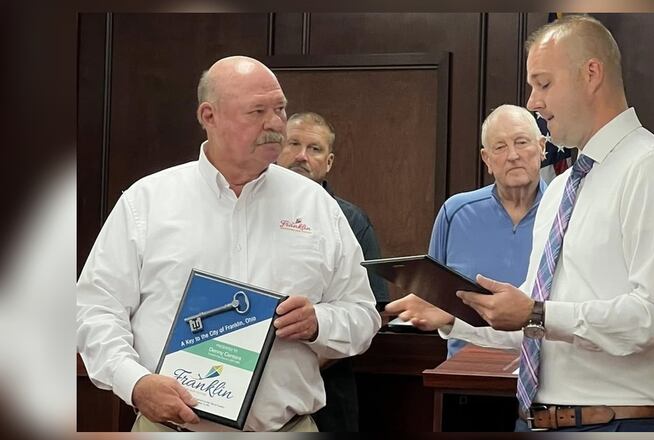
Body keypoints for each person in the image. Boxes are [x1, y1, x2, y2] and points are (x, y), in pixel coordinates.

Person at [388, 15, 654, 432]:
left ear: (591, 74)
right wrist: (452, 317)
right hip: (537, 420)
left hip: (613, 424)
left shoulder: (652, 168)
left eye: (543, 84)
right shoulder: (561, 188)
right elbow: (538, 325)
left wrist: (537, 313)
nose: (533, 102)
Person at [76, 56, 381, 432]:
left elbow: (363, 315)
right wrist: (134, 383)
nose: (275, 124)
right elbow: (95, 311)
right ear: (209, 116)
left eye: (280, 109)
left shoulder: (317, 206)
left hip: (287, 428)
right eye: (257, 111)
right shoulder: (147, 202)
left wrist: (320, 322)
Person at [276, 112, 386, 432]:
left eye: (314, 148)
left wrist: (305, 364)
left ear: (329, 162)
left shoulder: (350, 221)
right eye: (293, 144)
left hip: (328, 393)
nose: (301, 156)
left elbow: (371, 309)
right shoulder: (249, 209)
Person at [427, 104, 547, 358]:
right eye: (500, 147)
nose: (513, 155)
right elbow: (433, 301)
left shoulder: (565, 211)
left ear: (542, 148)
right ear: (487, 159)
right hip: (466, 371)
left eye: (521, 142)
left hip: (545, 368)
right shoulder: (455, 212)